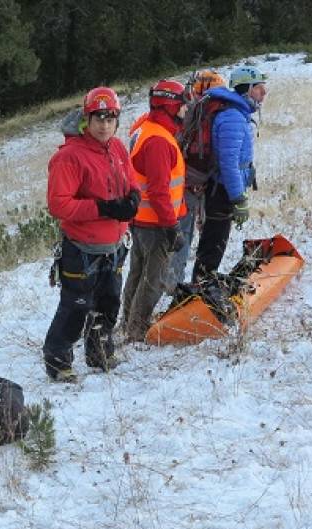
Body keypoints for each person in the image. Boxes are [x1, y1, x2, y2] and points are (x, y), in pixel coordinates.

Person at [42, 86, 137, 383]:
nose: (104, 124)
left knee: (109, 303)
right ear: (86, 118)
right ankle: (57, 360)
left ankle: (99, 352)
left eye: (111, 118)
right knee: (75, 307)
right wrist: (104, 208)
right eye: (98, 118)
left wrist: (133, 198)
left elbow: (131, 181)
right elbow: (59, 204)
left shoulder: (118, 147)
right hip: (82, 249)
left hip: (114, 245)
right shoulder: (69, 157)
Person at [190, 66, 268, 307]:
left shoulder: (237, 113)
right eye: (259, 88)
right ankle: (198, 296)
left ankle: (202, 288)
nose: (263, 93)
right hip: (221, 191)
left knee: (214, 242)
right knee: (213, 244)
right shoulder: (233, 117)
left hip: (223, 189)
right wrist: (238, 198)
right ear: (246, 89)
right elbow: (229, 164)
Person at [121, 79, 188, 343]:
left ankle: (128, 323)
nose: (186, 110)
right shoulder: (159, 141)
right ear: (171, 106)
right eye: (182, 104)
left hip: (141, 220)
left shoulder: (144, 128)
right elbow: (160, 190)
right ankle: (137, 330)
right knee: (154, 279)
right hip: (157, 223)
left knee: (137, 274)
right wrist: (171, 226)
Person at [171, 69, 227, 292]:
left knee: (183, 238)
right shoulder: (211, 113)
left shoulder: (195, 113)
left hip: (188, 186)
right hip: (191, 188)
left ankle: (177, 284)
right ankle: (174, 287)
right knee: (182, 239)